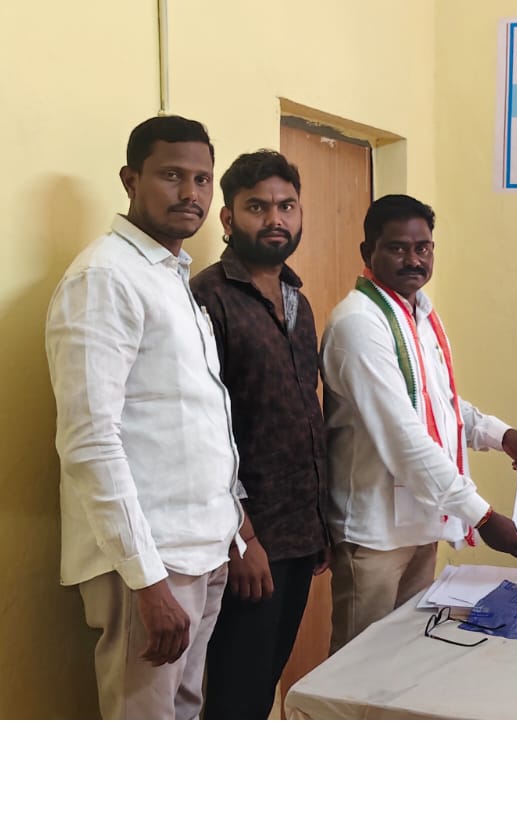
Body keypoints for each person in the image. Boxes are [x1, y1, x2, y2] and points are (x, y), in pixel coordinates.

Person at [45, 115, 247, 719]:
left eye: (202, 179)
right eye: (172, 176)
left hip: (201, 547)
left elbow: (193, 420)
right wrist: (146, 579)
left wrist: (234, 529)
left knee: (185, 712)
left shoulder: (169, 276)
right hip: (150, 560)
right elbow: (89, 441)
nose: (191, 193)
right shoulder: (104, 277)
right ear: (131, 180)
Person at [320, 194, 517, 652]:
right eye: (397, 248)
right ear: (368, 253)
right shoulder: (359, 324)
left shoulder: (419, 314)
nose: (413, 260)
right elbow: (403, 436)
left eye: (423, 248)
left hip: (422, 521)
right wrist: (483, 516)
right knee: (359, 667)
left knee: (405, 656)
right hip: (377, 535)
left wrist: (499, 434)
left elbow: (436, 404)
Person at [189, 150, 330, 719]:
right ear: (228, 218)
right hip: (247, 544)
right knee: (235, 701)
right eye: (257, 207)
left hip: (299, 536)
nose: (275, 219)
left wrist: (321, 521)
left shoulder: (300, 302)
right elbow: (205, 432)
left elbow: (304, 414)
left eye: (286, 206)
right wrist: (241, 538)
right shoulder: (207, 299)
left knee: (264, 687)